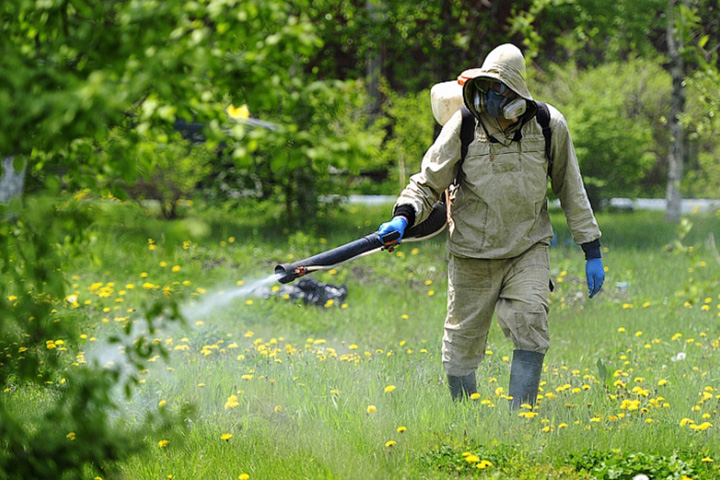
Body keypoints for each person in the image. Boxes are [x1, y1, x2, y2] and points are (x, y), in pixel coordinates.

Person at [377, 43, 604, 407]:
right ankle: (467, 418)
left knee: (531, 322)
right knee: (460, 347)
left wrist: (591, 248)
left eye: (499, 89)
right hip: (472, 252)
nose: (491, 97)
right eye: (486, 87)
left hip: (527, 247)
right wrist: (402, 217)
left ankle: (521, 417)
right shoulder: (464, 124)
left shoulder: (548, 125)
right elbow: (428, 181)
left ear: (516, 91)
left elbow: (570, 187)